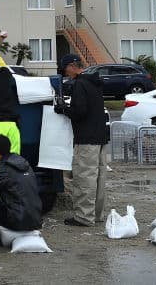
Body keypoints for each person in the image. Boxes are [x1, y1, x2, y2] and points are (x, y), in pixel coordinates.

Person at [54, 54, 109, 227]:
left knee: (85, 177)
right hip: (100, 137)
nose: (66, 73)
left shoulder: (80, 84)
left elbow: (80, 112)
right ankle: (97, 214)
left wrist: (63, 109)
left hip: (86, 138)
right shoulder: (94, 82)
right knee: (99, 177)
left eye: (65, 69)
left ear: (72, 66)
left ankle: (84, 217)